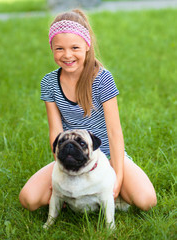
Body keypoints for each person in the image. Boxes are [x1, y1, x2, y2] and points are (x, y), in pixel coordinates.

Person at [19, 9, 157, 211]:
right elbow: (55, 132)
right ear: (51, 48)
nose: (67, 55)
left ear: (86, 45)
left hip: (107, 156)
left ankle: (96, 194)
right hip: (71, 157)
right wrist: (61, 172)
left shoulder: (102, 78)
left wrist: (116, 177)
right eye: (59, 49)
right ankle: (78, 195)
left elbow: (114, 132)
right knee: (29, 199)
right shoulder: (49, 82)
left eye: (74, 47)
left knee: (146, 201)